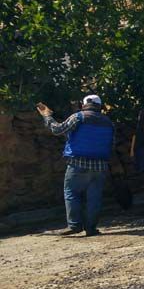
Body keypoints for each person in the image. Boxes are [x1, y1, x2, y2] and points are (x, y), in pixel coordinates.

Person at [36, 95, 114, 236]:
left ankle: (74, 225)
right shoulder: (108, 122)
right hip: (100, 166)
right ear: (99, 106)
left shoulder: (78, 117)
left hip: (77, 164)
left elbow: (58, 130)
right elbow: (111, 144)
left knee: (71, 192)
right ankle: (91, 228)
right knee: (94, 197)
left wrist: (47, 116)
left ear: (83, 104)